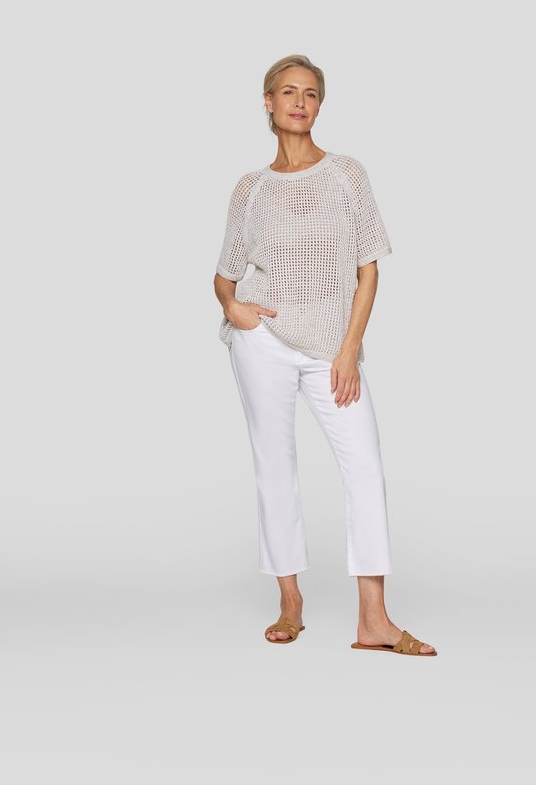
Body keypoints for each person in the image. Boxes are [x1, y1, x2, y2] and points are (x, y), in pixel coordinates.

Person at [213, 54, 437, 656]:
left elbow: (369, 270)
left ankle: (374, 620)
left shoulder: (346, 175)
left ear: (320, 105)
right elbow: (225, 275)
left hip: (331, 347)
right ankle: (290, 604)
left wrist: (349, 350)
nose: (299, 102)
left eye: (310, 93)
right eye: (288, 92)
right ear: (268, 102)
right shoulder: (251, 188)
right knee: (274, 466)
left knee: (364, 466)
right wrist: (235, 308)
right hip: (262, 341)